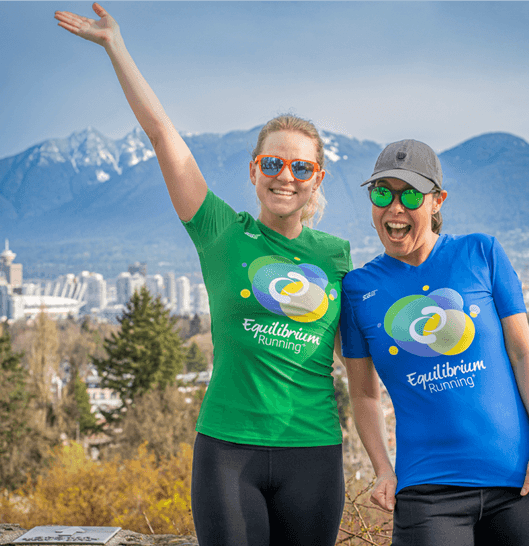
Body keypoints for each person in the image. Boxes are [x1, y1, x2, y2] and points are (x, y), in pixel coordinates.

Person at [55, 4, 351, 545]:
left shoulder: (337, 254)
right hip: (227, 453)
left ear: (317, 178)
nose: (286, 176)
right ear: (254, 170)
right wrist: (116, 46)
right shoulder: (220, 231)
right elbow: (162, 134)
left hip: (314, 452)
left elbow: (365, 357)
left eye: (301, 167)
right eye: (273, 164)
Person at [339, 139, 529, 544]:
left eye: (410, 194)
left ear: (437, 200)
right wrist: (383, 470)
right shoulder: (357, 290)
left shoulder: (482, 253)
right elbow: (363, 395)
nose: (395, 207)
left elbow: (523, 353)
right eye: (382, 192)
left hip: (520, 483)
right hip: (427, 492)